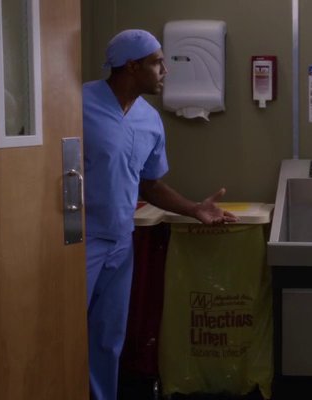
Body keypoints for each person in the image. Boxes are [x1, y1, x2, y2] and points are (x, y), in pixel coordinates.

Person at [83, 29, 238, 400]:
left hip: (121, 242)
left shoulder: (149, 120)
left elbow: (150, 185)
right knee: (62, 330)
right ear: (131, 66)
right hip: (79, 239)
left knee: (108, 338)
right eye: (157, 63)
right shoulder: (77, 103)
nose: (165, 70)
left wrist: (194, 209)